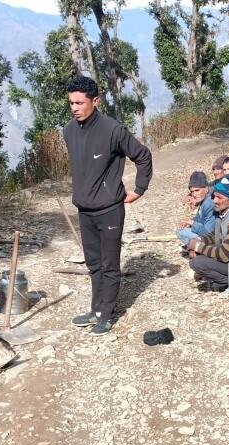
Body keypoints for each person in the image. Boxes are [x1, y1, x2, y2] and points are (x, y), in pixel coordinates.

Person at [63, 76, 153, 336]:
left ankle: (106, 313)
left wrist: (139, 189)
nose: (75, 108)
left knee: (109, 263)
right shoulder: (69, 130)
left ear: (95, 101)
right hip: (84, 210)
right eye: (71, 103)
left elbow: (143, 156)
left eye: (80, 102)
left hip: (110, 208)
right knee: (93, 263)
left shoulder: (113, 130)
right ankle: (95, 309)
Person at [176, 171, 215, 247]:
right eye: (192, 192)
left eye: (197, 190)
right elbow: (199, 218)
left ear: (206, 189)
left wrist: (191, 223)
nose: (194, 194)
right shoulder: (204, 200)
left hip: (213, 239)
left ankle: (199, 248)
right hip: (207, 234)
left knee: (181, 232)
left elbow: (208, 233)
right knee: (180, 230)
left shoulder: (209, 203)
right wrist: (188, 223)